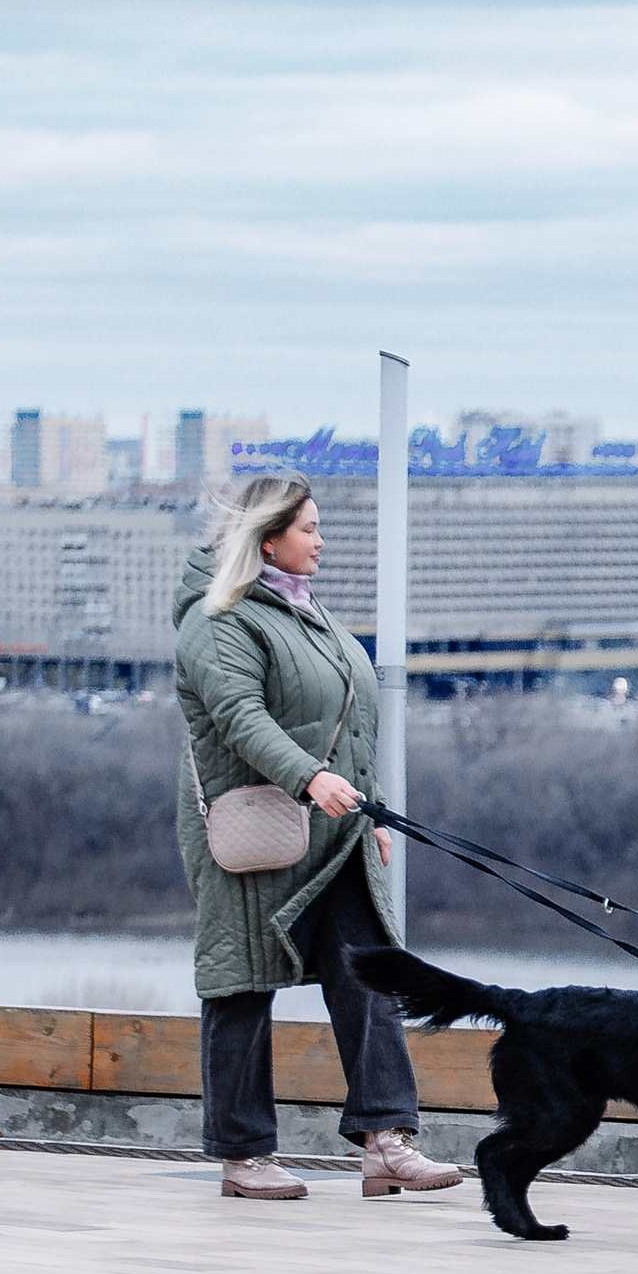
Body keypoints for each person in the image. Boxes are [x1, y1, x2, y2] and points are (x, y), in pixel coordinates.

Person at [172, 472, 463, 1200]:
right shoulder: (218, 618)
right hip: (255, 829)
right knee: (241, 980)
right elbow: (241, 718)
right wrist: (309, 778)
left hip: (334, 828)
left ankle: (386, 1141)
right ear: (268, 539)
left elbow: (351, 723)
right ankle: (243, 1155)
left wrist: (373, 813)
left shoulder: (305, 612)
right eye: (309, 528)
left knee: (371, 972)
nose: (322, 540)